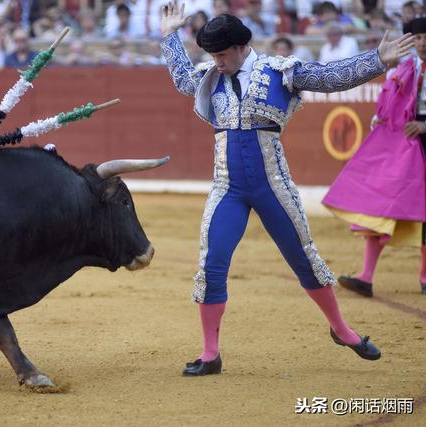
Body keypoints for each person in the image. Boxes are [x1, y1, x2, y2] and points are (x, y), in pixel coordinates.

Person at [158, 0, 413, 376]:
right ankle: (210, 354)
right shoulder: (211, 76)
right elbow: (182, 78)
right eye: (212, 55)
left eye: (223, 54)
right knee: (211, 264)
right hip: (227, 185)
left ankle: (342, 330)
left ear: (243, 48)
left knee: (305, 260)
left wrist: (377, 59)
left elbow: (328, 76)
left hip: (272, 185)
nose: (218, 62)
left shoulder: (279, 71)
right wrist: (169, 37)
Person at [323, 16, 426, 297]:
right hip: (403, 140)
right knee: (379, 203)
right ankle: (366, 276)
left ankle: (425, 275)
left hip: (421, 135)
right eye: (417, 38)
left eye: (425, 36)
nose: (423, 42)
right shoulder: (404, 69)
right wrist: (381, 119)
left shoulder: (405, 70)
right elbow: (388, 106)